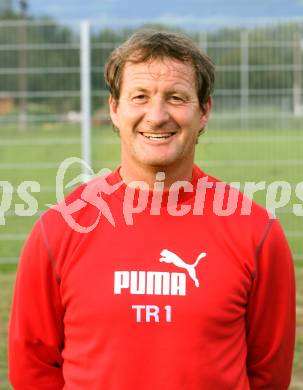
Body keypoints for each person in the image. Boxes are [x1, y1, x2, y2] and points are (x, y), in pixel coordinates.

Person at [8, 30, 295, 389]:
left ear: (204, 110)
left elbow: (268, 374)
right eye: (140, 97)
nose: (156, 116)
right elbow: (32, 371)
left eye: (176, 98)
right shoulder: (59, 229)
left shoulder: (256, 232)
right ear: (115, 109)